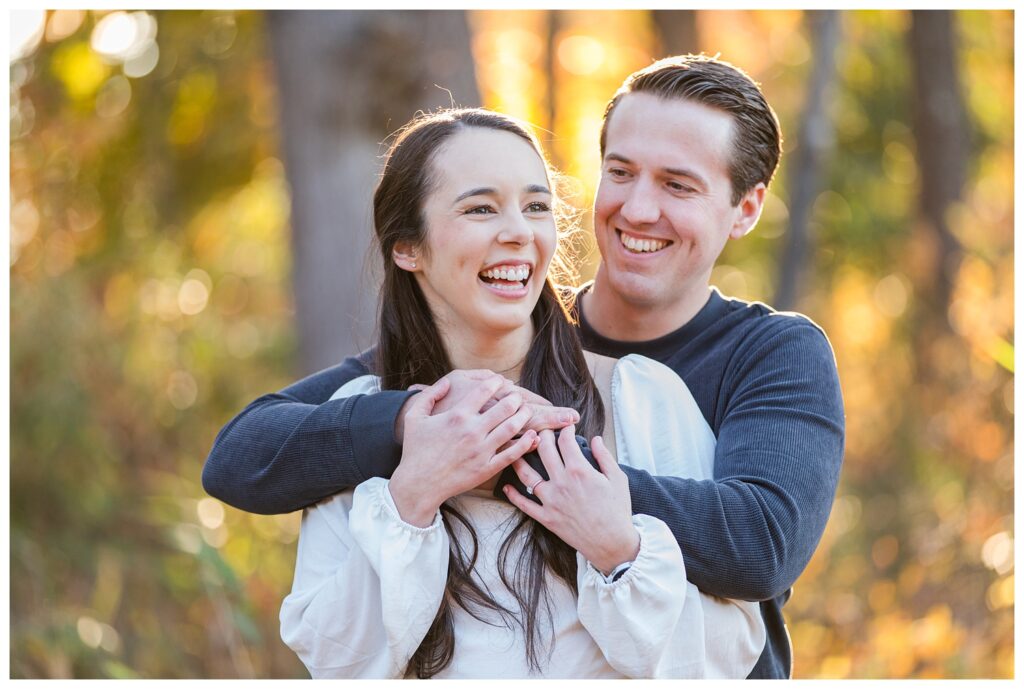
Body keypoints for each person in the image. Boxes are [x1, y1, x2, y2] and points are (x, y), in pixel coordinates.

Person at [203, 54, 845, 679]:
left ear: (747, 208)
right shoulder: (502, 330)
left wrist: (534, 456)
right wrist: (412, 425)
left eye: (678, 185)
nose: (638, 209)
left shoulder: (765, 356)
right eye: (620, 172)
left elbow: (761, 544)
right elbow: (241, 455)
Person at [278, 107, 764, 678]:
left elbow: (725, 657)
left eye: (536, 207)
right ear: (408, 247)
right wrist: (412, 499)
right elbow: (338, 666)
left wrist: (617, 550)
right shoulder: (356, 419)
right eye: (481, 208)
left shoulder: (642, 397)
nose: (519, 232)